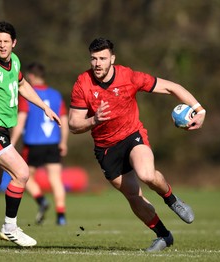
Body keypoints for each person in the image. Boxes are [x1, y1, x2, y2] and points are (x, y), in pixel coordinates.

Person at [68, 38, 206, 252]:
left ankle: (171, 199)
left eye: (102, 59)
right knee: (133, 195)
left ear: (112, 59)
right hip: (105, 148)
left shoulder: (129, 77)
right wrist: (93, 120)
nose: (97, 64)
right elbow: (73, 124)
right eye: (94, 59)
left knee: (146, 174)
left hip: (132, 135)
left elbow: (172, 87)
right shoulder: (83, 83)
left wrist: (200, 110)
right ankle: (163, 235)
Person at [0, 21, 61, 249]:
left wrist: (43, 106)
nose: (2, 46)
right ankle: (10, 227)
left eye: (6, 41)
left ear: (14, 43)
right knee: (22, 172)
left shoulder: (14, 61)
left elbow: (23, 85)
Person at [11, 62, 68, 226]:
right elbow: (63, 120)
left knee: (23, 176)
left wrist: (12, 143)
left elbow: (20, 121)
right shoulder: (56, 95)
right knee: (56, 179)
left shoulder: (27, 94)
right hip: (53, 144)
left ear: (31, 76)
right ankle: (61, 215)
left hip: (33, 143)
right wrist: (63, 141)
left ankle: (41, 200)